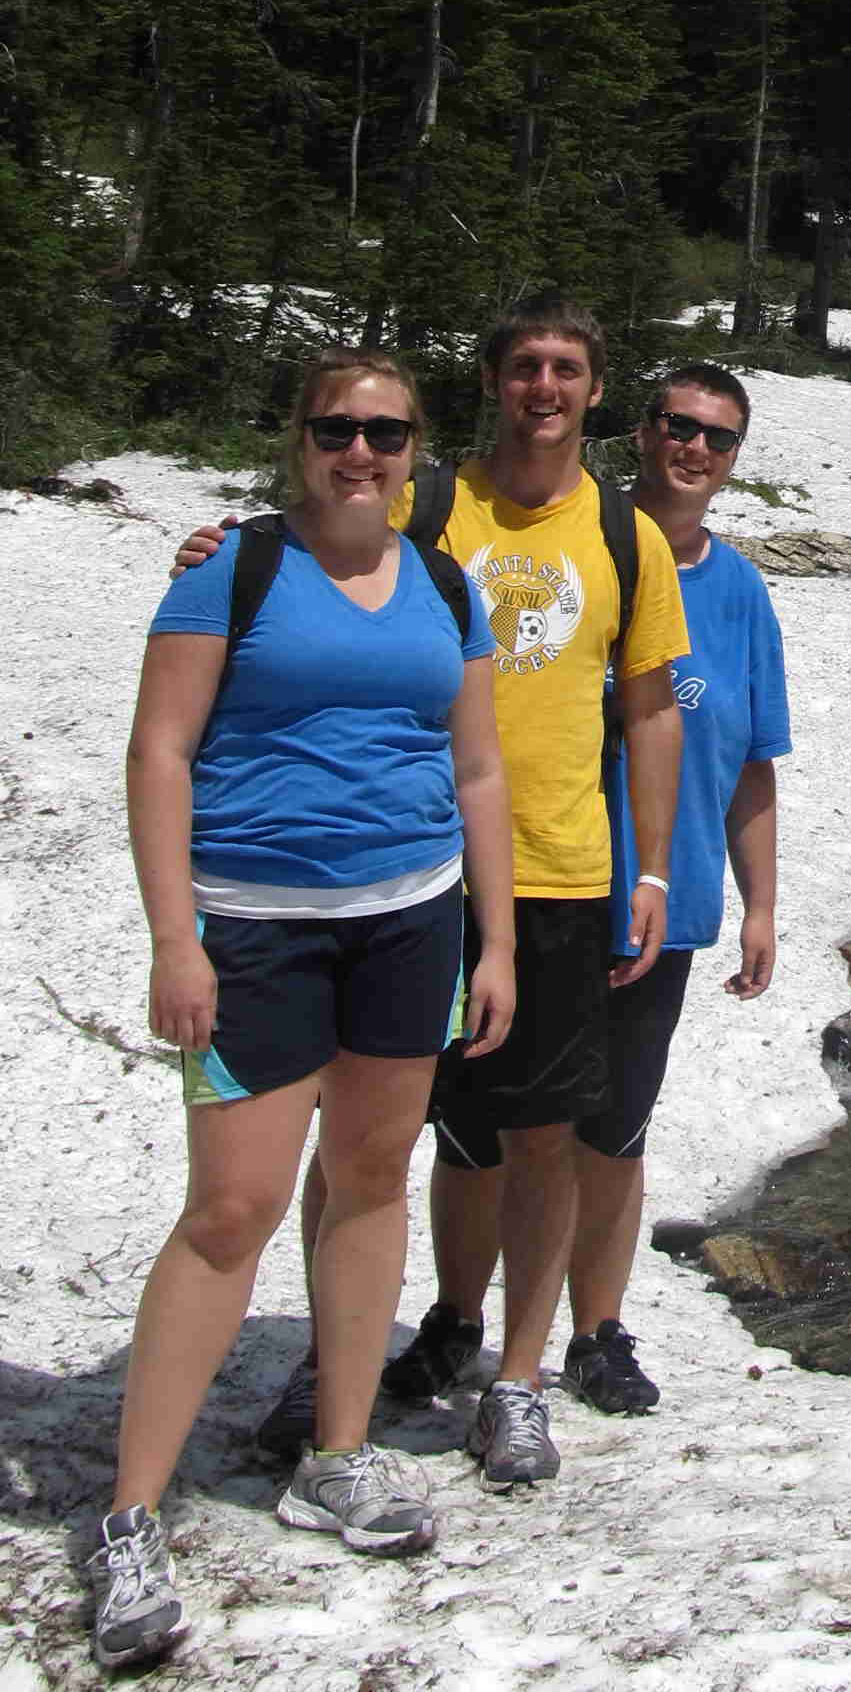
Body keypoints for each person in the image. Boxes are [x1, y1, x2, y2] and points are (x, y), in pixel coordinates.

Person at [176, 292, 688, 1494]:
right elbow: (317, 529)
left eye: (566, 367)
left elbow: (650, 709)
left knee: (544, 1132)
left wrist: (652, 863)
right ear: (494, 381)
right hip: (401, 874)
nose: (544, 387)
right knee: (362, 1140)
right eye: (524, 366)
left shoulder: (628, 536)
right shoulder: (427, 497)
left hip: (558, 866)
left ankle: (515, 1378)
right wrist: (217, 545)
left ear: (595, 388)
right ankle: (335, 1365)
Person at [88, 351, 515, 1673]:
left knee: (375, 1175)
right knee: (233, 1208)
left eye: (386, 432)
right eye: (338, 428)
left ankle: (339, 1453)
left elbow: (480, 768)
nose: (362, 452)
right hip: (256, 931)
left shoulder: (447, 585)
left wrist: (495, 941)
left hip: (410, 920)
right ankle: (128, 1516)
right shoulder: (233, 570)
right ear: (299, 437)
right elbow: (159, 751)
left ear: (415, 446)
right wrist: (178, 940)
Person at [422, 359, 786, 1418]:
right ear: (640, 428)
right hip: (530, 883)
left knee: (612, 1127)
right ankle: (456, 1320)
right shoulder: (583, 534)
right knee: (479, 1124)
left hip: (656, 901)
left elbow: (751, 757)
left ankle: (596, 1328)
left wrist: (760, 902)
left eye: (718, 437)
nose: (695, 449)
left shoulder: (740, 589)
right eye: (678, 425)